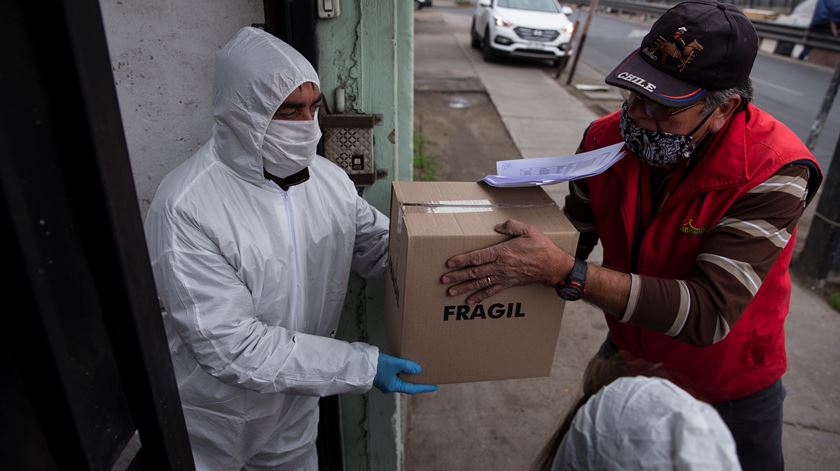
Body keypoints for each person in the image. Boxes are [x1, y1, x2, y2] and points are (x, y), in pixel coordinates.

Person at [441, 2, 822, 470]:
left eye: (663, 107)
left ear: (724, 110)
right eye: (632, 93)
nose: (637, 115)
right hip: (629, 350)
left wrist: (567, 272)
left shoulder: (774, 171)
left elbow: (709, 313)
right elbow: (576, 232)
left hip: (727, 379)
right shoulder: (604, 139)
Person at [144, 27, 436, 470]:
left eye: (313, 108)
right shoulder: (187, 206)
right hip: (214, 415)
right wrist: (360, 367)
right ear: (243, 115)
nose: (307, 126)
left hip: (296, 399)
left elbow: (379, 247)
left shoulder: (328, 181)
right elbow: (232, 347)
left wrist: (449, 258)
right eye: (289, 111)